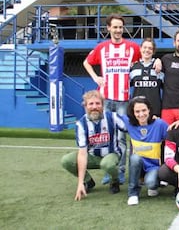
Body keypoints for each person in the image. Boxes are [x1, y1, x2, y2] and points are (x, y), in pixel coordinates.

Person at [83, 14, 161, 185]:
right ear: (109, 28)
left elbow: (146, 58)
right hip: (106, 99)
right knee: (106, 136)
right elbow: (86, 62)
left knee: (120, 138)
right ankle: (108, 170)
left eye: (120, 27)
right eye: (115, 27)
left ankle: (120, 171)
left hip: (123, 100)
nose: (118, 30)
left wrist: (158, 61)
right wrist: (96, 78)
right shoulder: (101, 47)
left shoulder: (132, 47)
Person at [61, 90, 127, 201]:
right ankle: (88, 182)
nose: (94, 107)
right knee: (66, 160)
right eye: (91, 104)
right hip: (93, 156)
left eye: (97, 103)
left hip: (111, 155)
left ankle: (114, 181)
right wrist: (80, 183)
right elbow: (82, 154)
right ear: (85, 106)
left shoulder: (112, 117)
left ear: (102, 105)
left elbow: (129, 128)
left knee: (107, 164)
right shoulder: (81, 124)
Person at [122, 97, 168, 206]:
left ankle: (154, 184)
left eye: (144, 110)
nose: (141, 114)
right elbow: (110, 116)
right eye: (137, 111)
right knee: (135, 158)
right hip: (138, 164)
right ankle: (133, 193)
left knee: (151, 183)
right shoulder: (129, 123)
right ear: (132, 113)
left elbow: (174, 135)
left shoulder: (159, 124)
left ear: (149, 110)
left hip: (154, 166)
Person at [130, 38, 163, 117]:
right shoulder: (133, 67)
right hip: (138, 111)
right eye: (145, 47)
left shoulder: (159, 68)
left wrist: (158, 60)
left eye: (150, 48)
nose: (147, 50)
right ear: (140, 49)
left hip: (155, 111)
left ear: (153, 51)